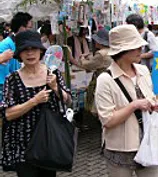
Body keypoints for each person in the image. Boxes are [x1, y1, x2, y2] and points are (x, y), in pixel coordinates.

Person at [1, 30, 71, 177]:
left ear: (40, 51)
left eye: (33, 49)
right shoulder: (12, 79)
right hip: (23, 145)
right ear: (19, 54)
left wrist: (55, 88)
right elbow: (8, 114)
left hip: (49, 141)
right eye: (25, 50)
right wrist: (34, 101)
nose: (30, 53)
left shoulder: (53, 74)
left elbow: (67, 100)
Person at [95, 25, 158, 177]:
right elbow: (108, 120)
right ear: (121, 51)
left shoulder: (143, 71)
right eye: (135, 47)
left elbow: (150, 96)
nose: (140, 50)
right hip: (120, 149)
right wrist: (134, 105)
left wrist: (154, 105)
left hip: (147, 142)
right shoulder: (105, 79)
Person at [0, 12, 33, 102]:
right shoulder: (5, 45)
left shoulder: (16, 43)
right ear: (21, 27)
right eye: (29, 28)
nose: (31, 31)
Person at [78, 29, 112, 114]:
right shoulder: (109, 51)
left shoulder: (101, 54)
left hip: (101, 79)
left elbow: (88, 65)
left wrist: (82, 59)